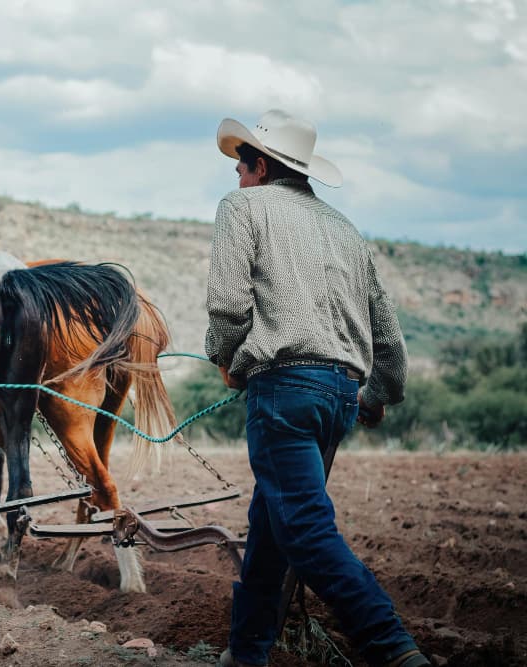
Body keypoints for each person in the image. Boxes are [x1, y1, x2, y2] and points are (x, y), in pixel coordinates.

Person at [205, 110, 429, 667]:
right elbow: (390, 344)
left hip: (283, 391)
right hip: (338, 397)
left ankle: (393, 646)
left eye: (240, 165)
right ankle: (247, 651)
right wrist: (373, 397)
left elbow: (229, 307)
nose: (236, 177)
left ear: (260, 166)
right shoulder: (346, 231)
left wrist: (226, 360)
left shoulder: (242, 208)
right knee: (271, 528)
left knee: (303, 531)